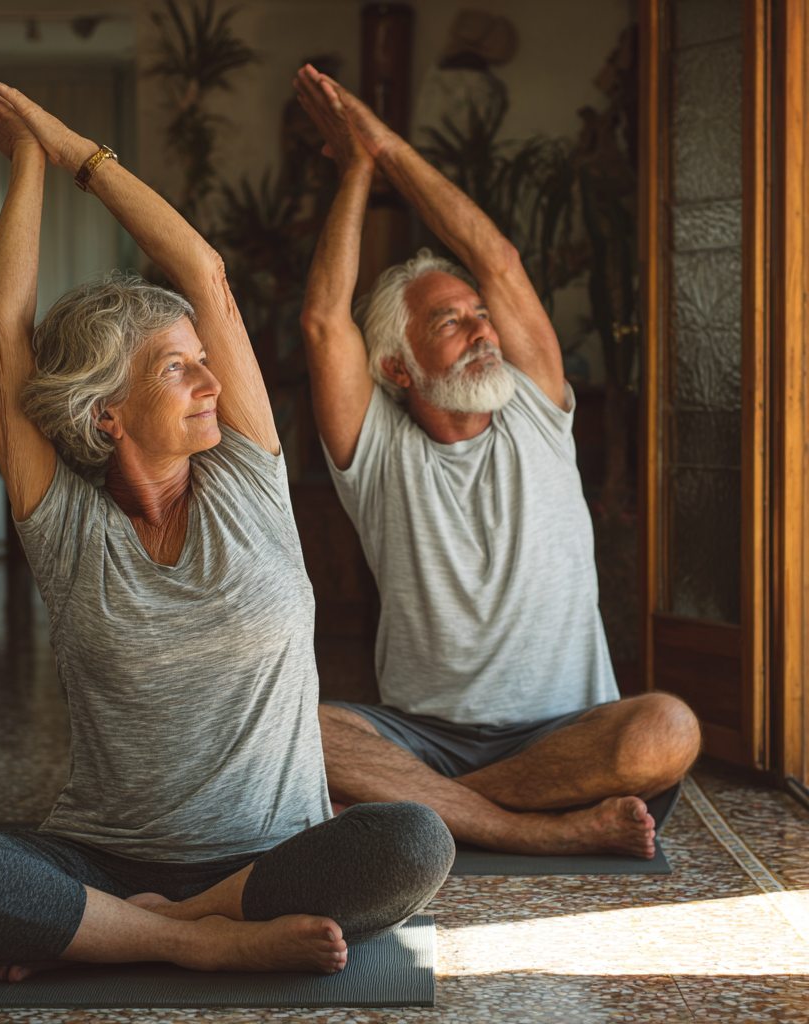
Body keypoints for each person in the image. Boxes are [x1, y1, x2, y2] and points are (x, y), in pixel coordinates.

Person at [0, 67, 455, 984]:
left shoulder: (248, 477)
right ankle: (194, 939)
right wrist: (24, 163)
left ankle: (119, 931)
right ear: (107, 414)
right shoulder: (63, 524)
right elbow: (3, 330)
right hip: (102, 857)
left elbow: (203, 271)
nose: (211, 382)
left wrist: (69, 149)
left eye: (204, 360)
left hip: (270, 856)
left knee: (413, 840)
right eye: (177, 368)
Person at [294, 65, 701, 860]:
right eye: (450, 322)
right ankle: (532, 826)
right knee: (285, 723)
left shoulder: (535, 408)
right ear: (397, 367)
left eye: (480, 315)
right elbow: (321, 321)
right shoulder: (376, 450)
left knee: (668, 728)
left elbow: (500, 258)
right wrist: (355, 174)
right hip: (425, 736)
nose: (484, 331)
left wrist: (384, 146)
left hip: (568, 734)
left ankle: (437, 808)